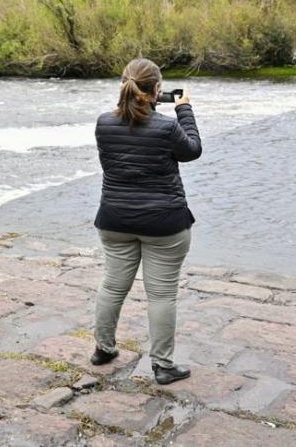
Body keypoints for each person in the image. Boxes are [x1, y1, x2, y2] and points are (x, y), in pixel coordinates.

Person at [91, 57, 201, 385]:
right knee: (162, 295)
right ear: (156, 90)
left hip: (115, 219)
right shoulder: (167, 127)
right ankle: (163, 366)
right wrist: (184, 109)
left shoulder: (103, 123)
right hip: (164, 223)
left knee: (112, 285)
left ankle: (103, 349)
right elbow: (192, 150)